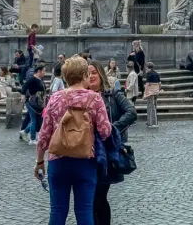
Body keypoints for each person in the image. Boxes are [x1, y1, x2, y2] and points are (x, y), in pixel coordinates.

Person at [35, 56, 112, 225]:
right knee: (84, 211)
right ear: (85, 75)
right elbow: (105, 131)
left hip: (58, 160)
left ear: (65, 77)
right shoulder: (95, 99)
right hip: (85, 160)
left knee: (57, 211)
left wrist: (40, 161)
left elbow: (44, 135)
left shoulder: (55, 98)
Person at [87, 60, 137, 225]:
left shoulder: (113, 94)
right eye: (87, 73)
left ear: (101, 74)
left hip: (106, 153)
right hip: (86, 152)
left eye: (94, 72)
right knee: (90, 198)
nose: (91, 76)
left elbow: (131, 112)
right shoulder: (81, 96)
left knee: (99, 196)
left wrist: (112, 129)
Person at [143, 62, 161, 128]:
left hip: (151, 93)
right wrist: (158, 90)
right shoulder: (156, 73)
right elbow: (159, 83)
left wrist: (145, 94)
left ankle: (151, 123)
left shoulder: (149, 74)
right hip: (156, 92)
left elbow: (147, 84)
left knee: (150, 107)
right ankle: (155, 122)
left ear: (147, 68)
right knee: (154, 107)